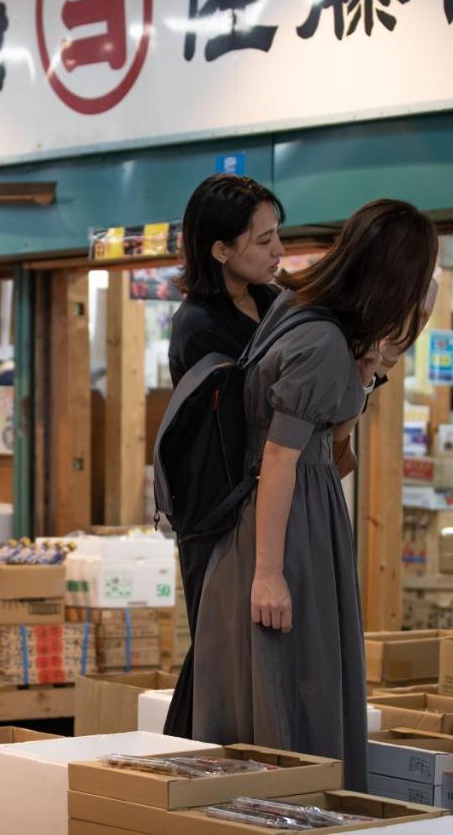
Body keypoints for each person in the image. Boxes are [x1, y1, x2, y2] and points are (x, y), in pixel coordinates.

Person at [191, 199, 439, 791]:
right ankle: (291, 807)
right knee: (294, 679)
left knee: (285, 677)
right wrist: (270, 574)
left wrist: (371, 367)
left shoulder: (301, 313)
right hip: (286, 523)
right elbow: (282, 458)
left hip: (284, 515)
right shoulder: (321, 341)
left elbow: (329, 447)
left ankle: (275, 804)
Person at [164, 174, 287, 740]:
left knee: (255, 649)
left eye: (277, 235)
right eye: (263, 241)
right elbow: (249, 413)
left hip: (266, 500)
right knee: (219, 648)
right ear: (220, 249)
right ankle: (185, 768)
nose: (278, 251)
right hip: (218, 512)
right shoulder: (197, 326)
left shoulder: (274, 301)